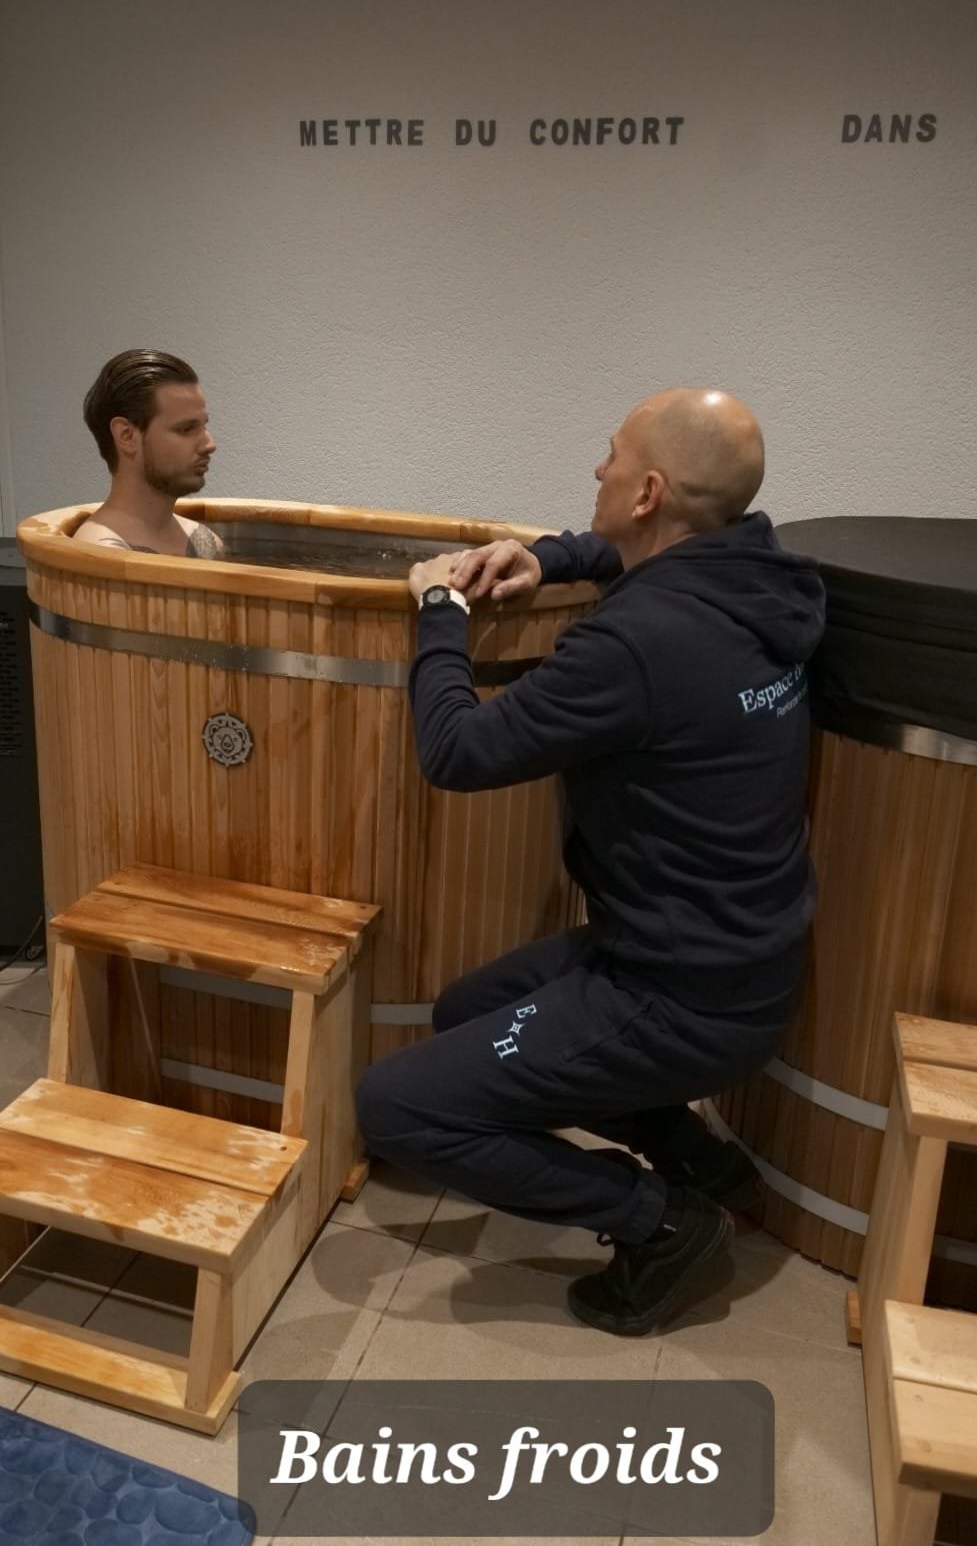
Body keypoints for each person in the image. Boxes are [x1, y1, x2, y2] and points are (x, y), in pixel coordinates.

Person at [354, 387, 826, 1336]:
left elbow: (459, 753)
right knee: (465, 1011)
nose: (595, 470)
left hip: (672, 994)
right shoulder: (762, 579)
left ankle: (660, 1222)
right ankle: (698, 1159)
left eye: (609, 457)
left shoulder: (637, 645)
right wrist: (548, 554)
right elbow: (629, 557)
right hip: (732, 960)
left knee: (394, 1108)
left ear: (648, 491)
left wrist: (439, 610)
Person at [74, 349, 224, 557]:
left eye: (203, 426)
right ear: (127, 436)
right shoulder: (100, 555)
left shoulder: (207, 544)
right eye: (186, 429)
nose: (209, 444)